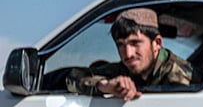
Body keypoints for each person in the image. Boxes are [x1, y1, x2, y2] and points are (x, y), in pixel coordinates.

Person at [65, 7, 193, 101]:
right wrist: (103, 86)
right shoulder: (122, 70)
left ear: (157, 43)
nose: (128, 54)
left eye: (135, 43)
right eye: (120, 45)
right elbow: (72, 77)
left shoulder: (181, 75)